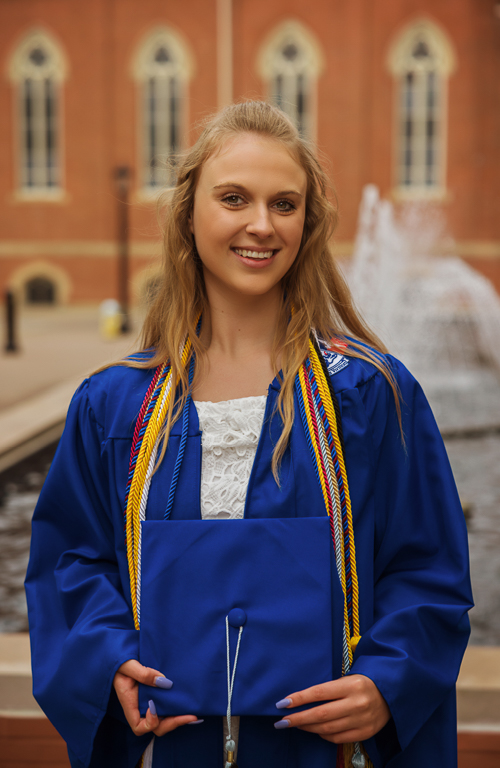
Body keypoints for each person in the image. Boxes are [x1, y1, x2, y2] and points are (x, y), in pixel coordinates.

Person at [25, 101, 472, 768]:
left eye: (284, 204)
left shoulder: (369, 394)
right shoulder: (115, 406)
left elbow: (427, 569)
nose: (261, 225)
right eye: (234, 198)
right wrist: (107, 658)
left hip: (325, 754)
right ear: (189, 213)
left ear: (308, 222)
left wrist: (388, 681)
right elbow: (72, 562)